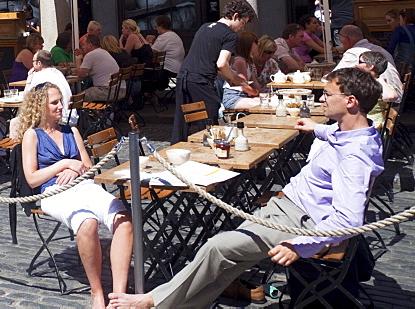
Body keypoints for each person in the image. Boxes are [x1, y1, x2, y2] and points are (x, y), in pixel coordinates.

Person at [109, 67, 384, 309]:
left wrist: (299, 245)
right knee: (229, 262)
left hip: (298, 223)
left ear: (350, 101)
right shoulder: (354, 132)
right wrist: (316, 128)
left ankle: (153, 301)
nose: (321, 98)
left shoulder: (354, 157)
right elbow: (338, 138)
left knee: (216, 248)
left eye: (327, 94)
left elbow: (349, 219)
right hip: (285, 207)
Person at [20, 84, 133, 309]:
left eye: (60, 101)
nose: (61, 106)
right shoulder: (32, 136)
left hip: (83, 184)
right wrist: (63, 164)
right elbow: (32, 178)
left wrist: (75, 168)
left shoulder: (72, 131)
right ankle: (97, 292)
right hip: (54, 192)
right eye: (54, 102)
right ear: (40, 106)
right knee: (87, 222)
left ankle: (119, 295)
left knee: (123, 218)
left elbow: (88, 166)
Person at [171, 0, 255, 143]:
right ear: (235, 16)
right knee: (210, 116)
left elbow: (207, 63)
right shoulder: (230, 35)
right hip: (200, 80)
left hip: (183, 76)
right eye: (243, 22)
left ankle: (176, 152)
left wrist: (228, 78)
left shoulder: (204, 27)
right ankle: (211, 151)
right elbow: (222, 63)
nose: (242, 27)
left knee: (181, 120)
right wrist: (234, 79)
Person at [331, 25, 402, 93]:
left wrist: (324, 75)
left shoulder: (354, 52)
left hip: (382, 98)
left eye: (342, 43)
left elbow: (334, 77)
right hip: (396, 95)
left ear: (346, 40)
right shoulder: (380, 49)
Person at [25, 49, 76, 124]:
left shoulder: (39, 75)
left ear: (39, 63)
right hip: (71, 117)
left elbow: (26, 97)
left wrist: (29, 79)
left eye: (33, 61)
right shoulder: (58, 72)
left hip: (60, 119)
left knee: (16, 121)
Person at [354, 50, 400, 128]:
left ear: (371, 66)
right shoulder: (360, 84)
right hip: (358, 125)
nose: (356, 65)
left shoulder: (379, 86)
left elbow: (390, 96)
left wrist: (380, 79)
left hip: (370, 128)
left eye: (360, 62)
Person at [220, 32, 265, 111]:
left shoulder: (248, 61)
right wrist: (257, 93)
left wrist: (262, 93)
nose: (258, 45)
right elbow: (244, 86)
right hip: (233, 97)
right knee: (264, 104)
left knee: (269, 102)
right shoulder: (240, 61)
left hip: (243, 96)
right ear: (248, 44)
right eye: (256, 42)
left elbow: (254, 81)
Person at [148, 15, 185, 80]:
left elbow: (151, 52)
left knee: (146, 70)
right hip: (179, 68)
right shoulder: (174, 35)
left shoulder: (163, 37)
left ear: (161, 26)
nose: (155, 28)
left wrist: (150, 41)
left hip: (168, 69)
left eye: (156, 26)